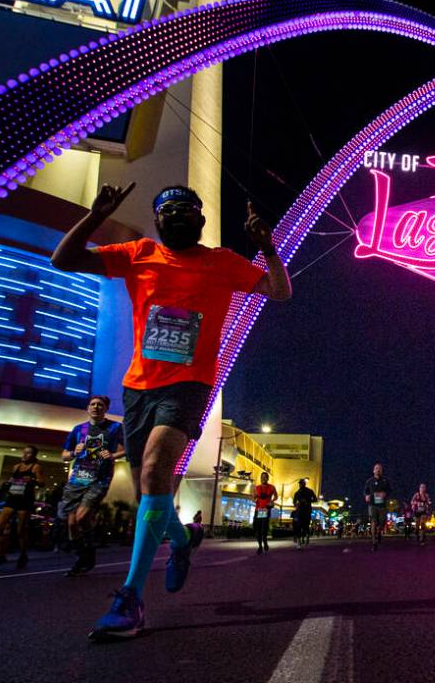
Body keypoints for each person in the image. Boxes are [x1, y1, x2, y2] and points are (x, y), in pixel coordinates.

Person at [52, 182, 292, 640]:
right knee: (149, 495)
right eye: (168, 211)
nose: (177, 216)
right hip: (138, 387)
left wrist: (268, 248)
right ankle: (182, 541)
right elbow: (62, 259)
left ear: (201, 220)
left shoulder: (222, 261)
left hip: (191, 384)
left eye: (187, 210)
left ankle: (130, 599)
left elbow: (279, 292)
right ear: (157, 220)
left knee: (157, 466)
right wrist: (95, 215)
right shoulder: (137, 253)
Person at [60, 395, 126, 576]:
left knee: (81, 517)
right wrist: (74, 452)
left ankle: (89, 550)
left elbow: (125, 450)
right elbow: (64, 454)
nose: (96, 407)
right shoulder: (78, 429)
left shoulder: (115, 427)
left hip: (100, 478)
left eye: (100, 405)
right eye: (93, 404)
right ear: (88, 408)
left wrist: (112, 455)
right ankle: (83, 555)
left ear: (105, 408)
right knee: (72, 522)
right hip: (77, 479)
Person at [0, 446, 45, 570]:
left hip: (25, 500)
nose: (25, 455)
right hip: (12, 498)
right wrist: (8, 482)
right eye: (24, 452)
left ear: (33, 455)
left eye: (28, 453)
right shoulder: (16, 467)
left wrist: (33, 480)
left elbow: (42, 482)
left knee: (21, 531)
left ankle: (23, 555)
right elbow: (13, 479)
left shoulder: (36, 467)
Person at [364, 463, 391, 550]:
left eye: (379, 468)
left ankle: (379, 532)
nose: (378, 470)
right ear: (373, 470)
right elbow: (365, 491)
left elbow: (389, 491)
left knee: (382, 522)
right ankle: (374, 542)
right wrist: (366, 496)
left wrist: (385, 494)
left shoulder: (385, 481)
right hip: (372, 505)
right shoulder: (369, 481)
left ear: (381, 471)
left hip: (382, 505)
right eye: (376, 468)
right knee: (373, 522)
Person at [253, 471, 277, 554]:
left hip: (265, 509)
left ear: (267, 478)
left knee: (263, 529)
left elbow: (276, 496)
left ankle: (265, 542)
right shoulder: (257, 487)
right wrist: (254, 499)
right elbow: (253, 497)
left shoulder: (271, 487)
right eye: (262, 477)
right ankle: (260, 546)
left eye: (265, 477)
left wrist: (272, 501)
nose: (263, 478)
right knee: (257, 530)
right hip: (258, 509)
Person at [292, 478, 317, 549]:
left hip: (307, 510)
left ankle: (306, 536)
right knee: (298, 525)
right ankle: (299, 542)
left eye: (302, 483)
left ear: (304, 484)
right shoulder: (297, 493)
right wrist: (297, 504)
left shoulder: (309, 491)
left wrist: (308, 501)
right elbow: (294, 502)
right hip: (300, 511)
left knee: (306, 526)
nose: (301, 485)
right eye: (300, 483)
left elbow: (315, 499)